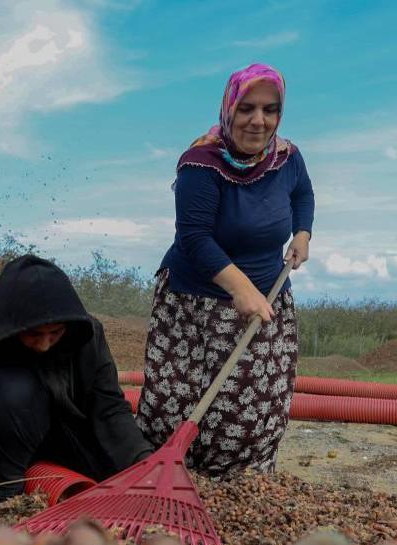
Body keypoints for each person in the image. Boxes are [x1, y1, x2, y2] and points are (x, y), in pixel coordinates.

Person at [136, 62, 314, 476]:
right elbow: (194, 238)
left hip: (267, 297)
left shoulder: (287, 157)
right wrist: (239, 287)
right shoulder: (200, 164)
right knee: (178, 400)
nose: (258, 120)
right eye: (247, 108)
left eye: (270, 110)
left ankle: (239, 480)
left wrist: (302, 234)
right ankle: (166, 471)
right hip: (197, 302)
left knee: (255, 401)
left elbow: (303, 193)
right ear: (228, 108)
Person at [0, 254, 152, 527]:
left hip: (63, 435)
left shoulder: (85, 334)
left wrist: (143, 460)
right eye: (34, 335)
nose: (45, 345)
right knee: (14, 390)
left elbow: (109, 407)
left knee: (119, 471)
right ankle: (2, 495)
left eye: (55, 334)